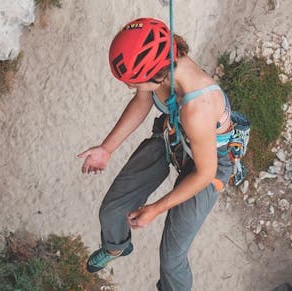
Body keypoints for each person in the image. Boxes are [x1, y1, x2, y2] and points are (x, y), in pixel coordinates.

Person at [79, 18, 236, 291]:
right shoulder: (160, 59)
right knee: (112, 210)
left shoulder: (198, 107)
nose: (131, 87)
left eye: (133, 82)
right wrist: (107, 148)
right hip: (172, 136)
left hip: (207, 164)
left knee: (172, 257)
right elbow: (142, 99)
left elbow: (204, 174)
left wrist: (156, 208)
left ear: (155, 75)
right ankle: (116, 247)